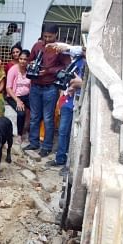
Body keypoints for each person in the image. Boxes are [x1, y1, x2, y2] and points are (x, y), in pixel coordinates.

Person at [22, 24, 71, 157]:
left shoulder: (60, 49)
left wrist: (49, 71)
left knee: (48, 118)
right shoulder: (37, 46)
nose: (47, 39)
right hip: (35, 86)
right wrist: (31, 64)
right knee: (34, 116)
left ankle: (47, 146)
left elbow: (66, 66)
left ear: (56, 34)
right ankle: (33, 142)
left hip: (50, 87)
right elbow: (28, 61)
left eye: (50, 36)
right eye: (45, 36)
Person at [44, 43, 84, 174]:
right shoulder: (77, 59)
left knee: (75, 135)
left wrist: (80, 85)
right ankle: (60, 159)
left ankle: (70, 166)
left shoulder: (91, 64)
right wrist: (57, 45)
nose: (83, 49)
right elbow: (69, 48)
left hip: (80, 103)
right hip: (68, 101)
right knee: (63, 131)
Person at [6, 49, 31, 144]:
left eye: (25, 59)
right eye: (21, 59)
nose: (22, 61)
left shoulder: (29, 70)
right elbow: (8, 88)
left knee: (37, 111)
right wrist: (18, 100)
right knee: (21, 113)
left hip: (27, 96)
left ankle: (29, 131)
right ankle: (19, 135)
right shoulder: (13, 70)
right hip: (13, 96)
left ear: (28, 60)